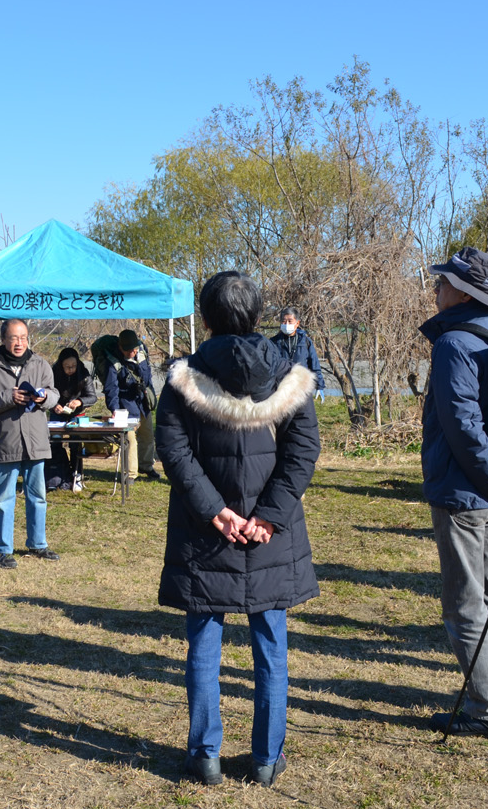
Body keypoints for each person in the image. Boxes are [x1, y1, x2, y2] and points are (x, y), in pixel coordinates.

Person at [156, 270, 320, 788]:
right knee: (271, 644)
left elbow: (174, 453)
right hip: (266, 534)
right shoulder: (290, 375)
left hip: (208, 533)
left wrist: (216, 512)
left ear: (206, 317)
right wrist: (268, 516)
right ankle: (267, 759)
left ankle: (205, 755)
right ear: (257, 314)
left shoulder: (184, 377)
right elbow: (303, 452)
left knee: (204, 640)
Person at [420, 247, 488, 740]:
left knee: (467, 605)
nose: (436, 289)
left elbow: (463, 428)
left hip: (467, 492)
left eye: (442, 282)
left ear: (464, 291)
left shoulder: (455, 344)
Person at [0, 319, 59, 569]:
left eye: (23, 337)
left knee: (38, 496)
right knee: (4, 498)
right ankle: (3, 549)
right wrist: (8, 396)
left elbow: (54, 395)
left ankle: (38, 544)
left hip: (36, 442)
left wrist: (44, 397)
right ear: (3, 339)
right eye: (13, 338)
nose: (19, 342)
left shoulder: (40, 364)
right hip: (5, 441)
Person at [104, 329, 161, 481]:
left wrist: (149, 396)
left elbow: (147, 376)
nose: (133, 352)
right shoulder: (112, 361)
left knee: (147, 435)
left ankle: (146, 466)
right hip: (125, 405)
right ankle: (130, 474)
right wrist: (115, 409)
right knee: (130, 439)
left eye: (135, 349)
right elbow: (111, 388)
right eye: (129, 350)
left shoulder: (142, 351)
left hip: (142, 401)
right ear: (121, 347)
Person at [50, 347, 98, 492]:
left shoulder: (84, 374)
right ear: (61, 365)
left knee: (75, 444)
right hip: (58, 412)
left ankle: (76, 475)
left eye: (73, 366)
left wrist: (80, 402)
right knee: (55, 442)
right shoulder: (53, 373)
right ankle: (57, 476)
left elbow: (93, 397)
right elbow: (47, 394)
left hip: (76, 413)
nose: (70, 369)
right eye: (67, 367)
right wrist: (54, 405)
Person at [270, 308, 325, 401]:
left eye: (290, 321)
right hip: (280, 390)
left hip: (302, 389)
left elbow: (314, 365)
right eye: (284, 321)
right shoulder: (273, 342)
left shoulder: (305, 342)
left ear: (297, 323)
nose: (286, 324)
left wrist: (319, 386)